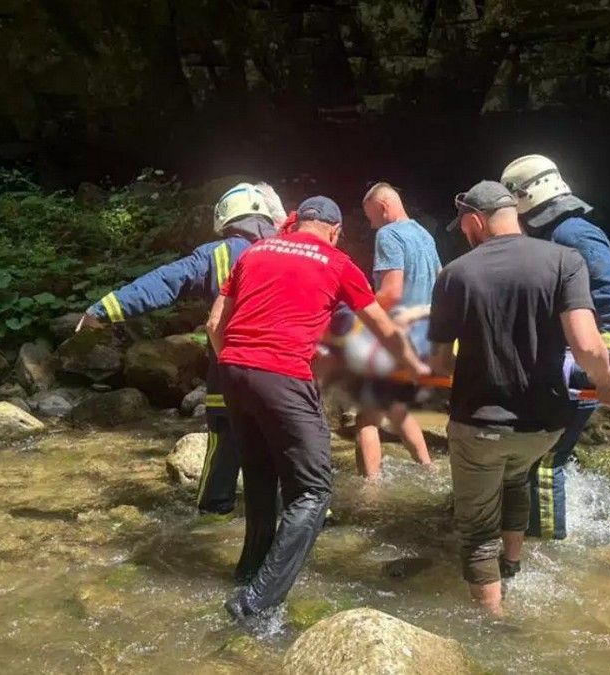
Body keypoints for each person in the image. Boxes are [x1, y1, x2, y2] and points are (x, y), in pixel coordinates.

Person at [206, 196, 429, 620]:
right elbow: (380, 326)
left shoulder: (256, 251)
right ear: (334, 230)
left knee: (258, 477)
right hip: (284, 373)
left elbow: (215, 324)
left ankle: (248, 572)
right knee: (313, 491)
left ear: (298, 223)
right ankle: (256, 603)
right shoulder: (338, 261)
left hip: (233, 370)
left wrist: (235, 362)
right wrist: (411, 366)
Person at [428, 180, 610, 617]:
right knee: (516, 481)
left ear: (474, 221)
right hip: (545, 425)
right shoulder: (565, 260)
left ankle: (494, 624)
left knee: (475, 529)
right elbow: (585, 344)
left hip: (481, 424)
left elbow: (438, 365)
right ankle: (513, 563)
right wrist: (607, 386)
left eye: (464, 226)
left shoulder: (454, 275)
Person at [77, 182, 285, 515]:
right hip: (287, 373)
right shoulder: (293, 250)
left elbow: (163, 282)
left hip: (229, 374)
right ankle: (314, 519)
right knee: (290, 447)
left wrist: (104, 309)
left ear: (226, 221)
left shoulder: (216, 255)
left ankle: (213, 516)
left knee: (222, 446)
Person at [499, 155, 610, 540]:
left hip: (575, 370)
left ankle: (547, 547)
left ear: (526, 197)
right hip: (556, 367)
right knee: (534, 457)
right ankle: (528, 533)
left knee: (546, 463)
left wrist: (601, 365)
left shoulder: (574, 234)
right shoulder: (552, 236)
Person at [346, 182, 440, 478]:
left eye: (371, 215)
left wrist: (360, 318)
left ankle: (370, 492)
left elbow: (390, 292)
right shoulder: (424, 234)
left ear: (383, 207)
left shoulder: (388, 234)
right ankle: (428, 469)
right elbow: (440, 281)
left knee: (367, 417)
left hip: (394, 337)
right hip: (424, 337)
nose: (371, 223)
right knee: (396, 406)